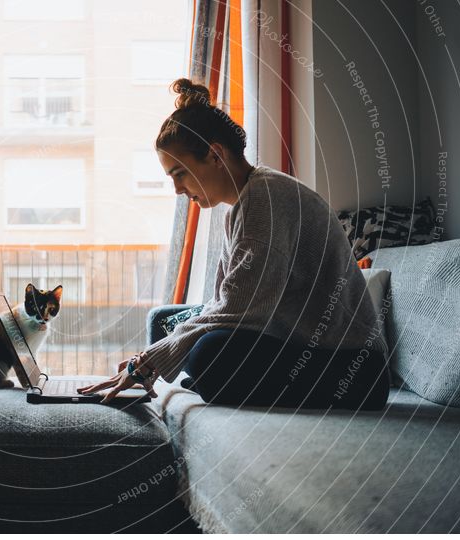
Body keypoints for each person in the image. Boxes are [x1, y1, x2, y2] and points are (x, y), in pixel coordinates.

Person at [78, 78, 390, 410]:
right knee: (163, 324)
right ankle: (198, 378)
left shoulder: (265, 198)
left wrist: (149, 360)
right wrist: (154, 355)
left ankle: (201, 379)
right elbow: (224, 302)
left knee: (211, 356)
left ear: (215, 155)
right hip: (297, 342)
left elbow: (242, 311)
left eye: (180, 173)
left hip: (352, 368)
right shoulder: (245, 203)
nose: (178, 191)